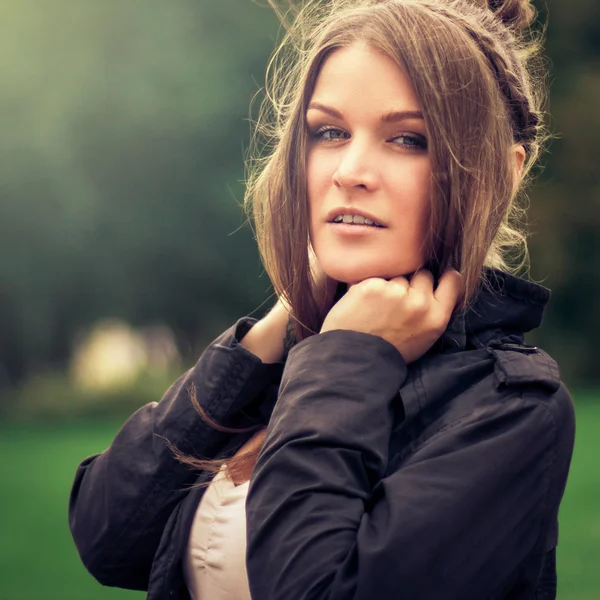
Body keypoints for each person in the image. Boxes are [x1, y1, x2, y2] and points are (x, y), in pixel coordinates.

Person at [68, 0, 576, 598]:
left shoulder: (512, 409)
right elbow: (106, 537)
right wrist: (273, 332)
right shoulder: (286, 359)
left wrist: (347, 356)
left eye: (409, 139)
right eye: (329, 132)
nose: (351, 170)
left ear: (502, 174)